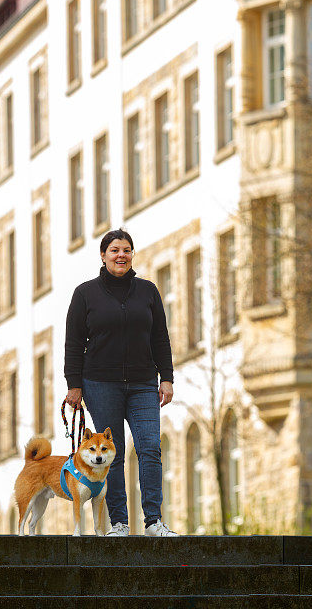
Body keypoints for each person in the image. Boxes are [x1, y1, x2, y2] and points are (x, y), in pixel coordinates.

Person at [64, 228, 177, 537]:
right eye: (114, 250)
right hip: (100, 383)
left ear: (132, 255)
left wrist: (166, 378)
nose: (121, 255)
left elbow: (160, 338)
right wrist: (74, 385)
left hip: (142, 383)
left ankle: (153, 521)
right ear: (103, 255)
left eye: (126, 250)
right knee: (110, 454)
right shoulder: (85, 293)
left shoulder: (148, 291)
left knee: (150, 448)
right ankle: (119, 523)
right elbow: (73, 343)